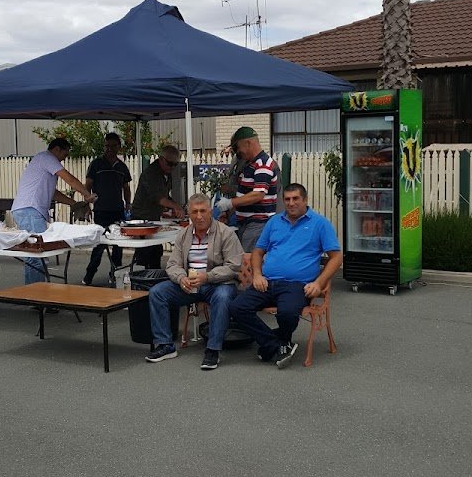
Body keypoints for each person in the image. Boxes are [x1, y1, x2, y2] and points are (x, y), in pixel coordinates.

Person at [229, 183, 342, 368]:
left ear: (305, 200)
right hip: (267, 282)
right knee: (236, 307)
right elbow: (258, 251)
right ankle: (276, 344)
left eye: (296, 198)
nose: (291, 203)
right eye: (287, 199)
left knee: (287, 313)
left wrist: (319, 283)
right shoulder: (274, 222)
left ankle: (273, 343)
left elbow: (336, 258)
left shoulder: (320, 224)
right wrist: (257, 275)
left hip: (297, 285)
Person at [145, 193, 243, 370]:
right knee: (157, 292)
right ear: (189, 214)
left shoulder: (226, 233)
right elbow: (173, 264)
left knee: (223, 296)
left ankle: (213, 349)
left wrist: (208, 276)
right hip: (189, 285)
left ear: (210, 211)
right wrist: (181, 278)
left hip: (216, 284)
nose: (199, 216)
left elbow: (234, 267)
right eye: (195, 212)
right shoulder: (183, 234)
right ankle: (165, 345)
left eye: (203, 211)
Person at [11, 139, 95, 284]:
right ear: (56, 149)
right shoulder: (47, 158)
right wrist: (87, 195)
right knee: (37, 255)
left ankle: (33, 292)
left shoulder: (42, 162)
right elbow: (69, 179)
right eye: (64, 154)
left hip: (28, 210)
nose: (64, 158)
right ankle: (35, 294)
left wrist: (74, 204)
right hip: (30, 210)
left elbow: (53, 193)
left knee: (35, 254)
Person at [215, 126, 279, 252]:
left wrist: (230, 202)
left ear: (248, 143)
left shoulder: (263, 164)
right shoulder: (250, 165)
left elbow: (258, 194)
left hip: (258, 225)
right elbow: (244, 195)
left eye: (238, 147)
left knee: (249, 260)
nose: (238, 152)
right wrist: (228, 213)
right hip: (248, 224)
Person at [81, 132, 132, 286]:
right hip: (101, 211)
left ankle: (115, 275)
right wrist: (87, 205)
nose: (109, 149)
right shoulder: (96, 164)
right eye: (106, 146)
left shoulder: (122, 167)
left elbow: (126, 187)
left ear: (119, 147)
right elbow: (87, 186)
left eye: (113, 146)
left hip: (118, 210)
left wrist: (128, 204)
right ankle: (89, 275)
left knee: (118, 245)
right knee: (99, 244)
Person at [130, 144, 186, 269]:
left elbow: (165, 196)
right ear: (161, 159)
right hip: (142, 217)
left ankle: (154, 274)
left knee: (155, 249)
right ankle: (141, 275)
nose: (172, 167)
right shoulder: (151, 173)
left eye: (175, 164)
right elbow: (159, 198)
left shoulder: (166, 173)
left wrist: (173, 206)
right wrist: (175, 206)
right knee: (145, 250)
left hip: (153, 217)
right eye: (170, 164)